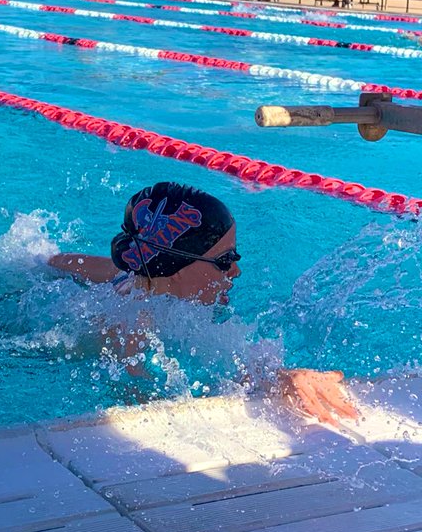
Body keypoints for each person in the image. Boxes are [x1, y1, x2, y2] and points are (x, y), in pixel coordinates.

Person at [47, 182, 357, 426]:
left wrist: (284, 376)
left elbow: (63, 262)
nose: (236, 271)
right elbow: (147, 411)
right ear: (175, 263)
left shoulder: (137, 276)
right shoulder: (134, 330)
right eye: (225, 261)